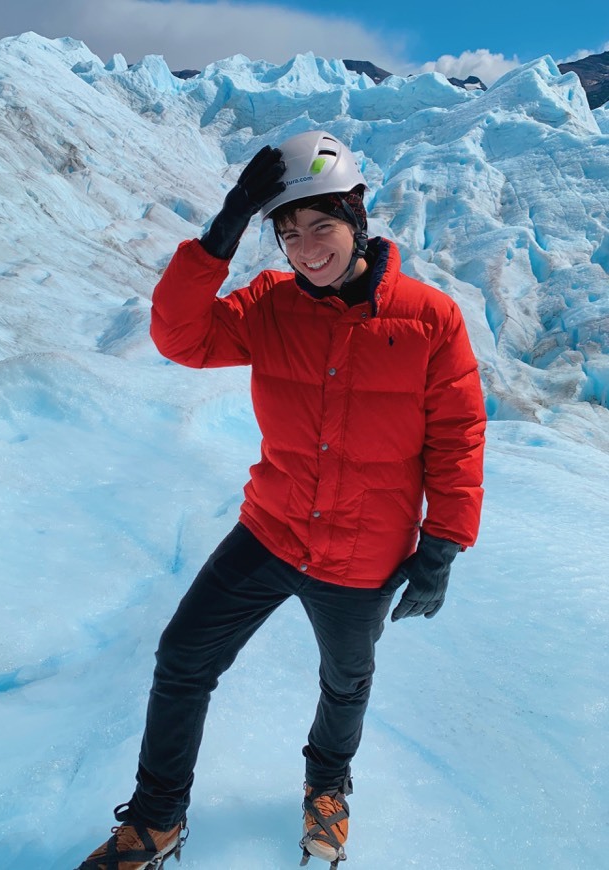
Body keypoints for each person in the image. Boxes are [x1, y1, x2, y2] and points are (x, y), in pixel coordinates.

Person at [77, 130, 486, 870]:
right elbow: (181, 338)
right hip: (270, 530)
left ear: (357, 217)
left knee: (345, 680)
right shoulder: (269, 306)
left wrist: (444, 543)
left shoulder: (430, 319)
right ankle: (157, 818)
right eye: (288, 233)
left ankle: (327, 787)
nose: (306, 249)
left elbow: (457, 438)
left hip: (365, 550)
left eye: (320, 227)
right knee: (183, 658)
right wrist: (218, 238)